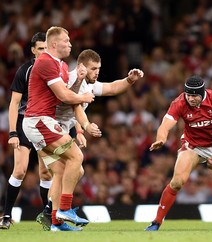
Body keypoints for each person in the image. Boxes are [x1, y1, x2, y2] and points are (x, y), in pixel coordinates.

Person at [41, 49, 144, 230]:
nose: (97, 72)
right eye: (93, 68)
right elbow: (75, 107)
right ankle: (61, 210)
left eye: (98, 68)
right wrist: (86, 126)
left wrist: (129, 80)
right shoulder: (70, 80)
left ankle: (54, 217)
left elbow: (112, 88)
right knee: (73, 163)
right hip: (48, 129)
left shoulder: (87, 83)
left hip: (56, 131)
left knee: (69, 172)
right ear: (82, 67)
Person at [145, 75, 212, 231]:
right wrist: (161, 139)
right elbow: (165, 125)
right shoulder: (180, 102)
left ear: (202, 93)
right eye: (188, 95)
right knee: (177, 182)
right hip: (192, 145)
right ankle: (156, 222)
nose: (191, 98)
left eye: (194, 95)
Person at [22, 26, 97, 232]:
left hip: (42, 122)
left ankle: (56, 222)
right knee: (76, 157)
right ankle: (64, 208)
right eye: (66, 40)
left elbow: (63, 95)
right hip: (38, 120)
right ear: (54, 44)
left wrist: (80, 81)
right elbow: (64, 97)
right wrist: (83, 97)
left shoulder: (62, 66)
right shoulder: (45, 61)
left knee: (63, 170)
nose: (70, 44)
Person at [0, 33, 52, 230]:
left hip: (44, 123)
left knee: (46, 173)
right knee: (20, 169)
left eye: (47, 48)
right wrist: (13, 132)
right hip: (23, 122)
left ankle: (48, 216)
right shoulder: (25, 70)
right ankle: (6, 215)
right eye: (40, 49)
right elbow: (14, 103)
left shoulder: (54, 71)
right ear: (33, 50)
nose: (44, 52)